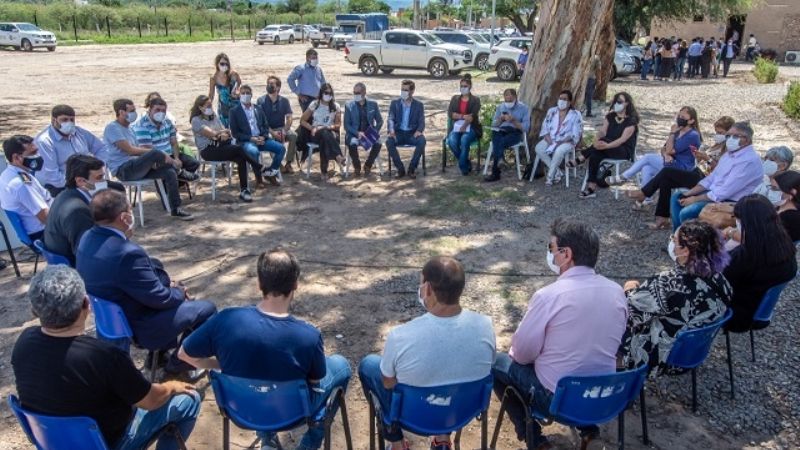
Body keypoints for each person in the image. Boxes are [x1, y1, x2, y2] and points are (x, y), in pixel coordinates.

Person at [12, 266, 201, 450]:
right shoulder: (104, 355)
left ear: (35, 310)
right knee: (189, 401)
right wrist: (171, 386)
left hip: (54, 441)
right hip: (109, 442)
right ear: (86, 305)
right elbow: (150, 401)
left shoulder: (23, 342)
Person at [179, 248, 351, 450]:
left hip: (243, 409)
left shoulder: (226, 319)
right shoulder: (308, 336)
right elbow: (315, 381)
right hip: (294, 413)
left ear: (259, 283)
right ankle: (309, 444)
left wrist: (217, 364)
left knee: (258, 374)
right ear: (296, 285)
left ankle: (267, 440)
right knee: (342, 366)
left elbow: (184, 353)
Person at [492, 219, 627, 449]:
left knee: (496, 362)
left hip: (559, 400)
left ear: (566, 254)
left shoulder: (549, 296)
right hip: (604, 396)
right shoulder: (617, 292)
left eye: (551, 248)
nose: (550, 254)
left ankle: (534, 439)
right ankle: (589, 432)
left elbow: (522, 355)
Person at [358, 256, 496, 450]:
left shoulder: (401, 336)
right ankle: (442, 438)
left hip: (412, 416)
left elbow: (388, 382)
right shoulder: (485, 326)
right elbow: (487, 367)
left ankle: (397, 443)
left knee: (369, 365)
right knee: (451, 371)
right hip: (462, 412)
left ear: (428, 289)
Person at [76, 189, 217, 376]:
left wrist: (169, 286)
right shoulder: (127, 253)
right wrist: (180, 291)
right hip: (139, 325)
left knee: (156, 267)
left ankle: (158, 357)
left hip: (113, 316)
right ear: (124, 218)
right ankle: (179, 363)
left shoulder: (86, 237)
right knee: (207, 309)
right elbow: (161, 299)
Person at [619, 220, 731, 373]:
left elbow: (629, 312)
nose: (671, 242)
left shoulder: (668, 282)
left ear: (685, 251)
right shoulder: (722, 281)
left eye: (674, 240)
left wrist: (628, 289)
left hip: (659, 357)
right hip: (692, 354)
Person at [104, 98, 193, 221]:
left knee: (169, 172)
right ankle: (179, 171)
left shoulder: (129, 129)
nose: (134, 113)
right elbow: (130, 150)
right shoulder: (113, 128)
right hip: (124, 169)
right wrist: (158, 155)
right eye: (131, 110)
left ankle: (175, 209)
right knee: (156, 152)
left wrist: (152, 163)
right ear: (121, 112)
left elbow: (138, 152)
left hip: (136, 166)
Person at [668, 122, 764, 230]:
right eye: (728, 136)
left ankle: (688, 240)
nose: (730, 139)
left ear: (746, 140)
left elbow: (724, 192)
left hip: (732, 202)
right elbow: (711, 178)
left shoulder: (749, 161)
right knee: (677, 196)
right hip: (716, 194)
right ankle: (677, 237)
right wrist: (688, 194)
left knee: (687, 212)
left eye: (735, 136)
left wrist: (695, 199)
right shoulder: (729, 154)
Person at [723, 195, 797, 333]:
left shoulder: (746, 256)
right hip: (760, 312)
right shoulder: (786, 246)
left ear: (747, 222)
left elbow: (720, 284)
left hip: (736, 315)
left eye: (737, 219)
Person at [609, 106, 702, 215]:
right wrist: (665, 155)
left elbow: (670, 149)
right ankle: (646, 201)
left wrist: (671, 136)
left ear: (691, 120)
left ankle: (624, 177)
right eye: (679, 115)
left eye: (683, 117)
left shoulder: (692, 135)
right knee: (646, 167)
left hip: (682, 168)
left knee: (648, 157)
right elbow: (664, 148)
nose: (679, 118)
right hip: (669, 163)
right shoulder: (678, 130)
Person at [190, 95, 264, 202]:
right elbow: (211, 134)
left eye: (211, 105)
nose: (210, 107)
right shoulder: (196, 120)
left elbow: (226, 131)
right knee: (238, 149)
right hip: (208, 150)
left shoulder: (213, 115)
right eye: (208, 105)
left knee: (241, 158)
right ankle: (257, 166)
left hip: (221, 145)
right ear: (200, 108)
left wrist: (221, 134)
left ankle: (244, 190)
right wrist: (220, 134)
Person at [571, 92, 639, 199]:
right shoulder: (610, 116)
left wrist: (605, 145)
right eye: (616, 101)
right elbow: (602, 131)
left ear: (627, 104)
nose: (617, 103)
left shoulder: (631, 122)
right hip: (606, 148)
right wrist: (596, 140)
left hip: (623, 150)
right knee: (595, 155)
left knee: (601, 143)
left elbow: (621, 140)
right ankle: (591, 187)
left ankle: (582, 157)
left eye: (620, 102)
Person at [43, 154, 107, 266]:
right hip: (73, 267)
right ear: (81, 181)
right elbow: (85, 252)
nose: (104, 182)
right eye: (99, 178)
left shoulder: (64, 195)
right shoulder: (77, 211)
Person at [132, 97, 201, 196]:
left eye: (163, 110)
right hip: (154, 159)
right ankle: (171, 185)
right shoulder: (142, 125)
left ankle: (174, 185)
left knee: (193, 163)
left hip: (170, 154)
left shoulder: (167, 122)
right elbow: (148, 149)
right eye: (157, 110)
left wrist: (177, 158)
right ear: (150, 110)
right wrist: (172, 161)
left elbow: (174, 142)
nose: (160, 113)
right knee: (171, 169)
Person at [34, 104, 107, 197]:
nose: (69, 123)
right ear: (54, 120)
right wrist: (79, 184)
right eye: (64, 120)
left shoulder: (79, 133)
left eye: (72, 120)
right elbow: (52, 176)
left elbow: (102, 148)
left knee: (115, 190)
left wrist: (97, 167)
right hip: (60, 187)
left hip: (85, 181)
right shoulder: (44, 142)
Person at [229, 85, 285, 185]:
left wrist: (263, 136)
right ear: (239, 95)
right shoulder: (234, 111)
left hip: (262, 139)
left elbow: (265, 125)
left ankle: (270, 172)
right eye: (243, 93)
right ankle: (258, 178)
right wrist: (251, 138)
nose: (245, 95)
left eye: (248, 93)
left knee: (281, 148)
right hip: (246, 141)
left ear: (251, 95)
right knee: (254, 152)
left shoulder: (258, 108)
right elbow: (235, 133)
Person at [0, 135, 52, 241]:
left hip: (37, 231)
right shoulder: (22, 184)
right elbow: (46, 218)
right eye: (32, 154)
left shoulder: (7, 174)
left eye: (37, 152)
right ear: (16, 157)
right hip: (44, 234)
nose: (38, 156)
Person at [533, 90, 582, 186]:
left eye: (565, 99)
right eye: (560, 98)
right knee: (539, 148)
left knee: (559, 151)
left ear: (570, 102)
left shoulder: (576, 114)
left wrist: (562, 141)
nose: (562, 101)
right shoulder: (552, 111)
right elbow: (545, 127)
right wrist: (549, 139)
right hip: (551, 138)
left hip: (567, 140)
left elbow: (576, 133)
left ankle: (550, 177)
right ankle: (557, 172)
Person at [299, 83, 345, 181]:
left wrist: (326, 127)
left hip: (330, 132)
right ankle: (338, 156)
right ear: (321, 93)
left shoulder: (336, 106)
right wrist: (312, 128)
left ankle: (324, 172)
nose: (328, 95)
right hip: (315, 133)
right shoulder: (315, 104)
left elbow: (338, 125)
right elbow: (302, 120)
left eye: (330, 93)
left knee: (325, 137)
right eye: (326, 93)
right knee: (323, 134)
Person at [484, 88, 530, 182]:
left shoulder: (524, 108)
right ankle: (500, 159)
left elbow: (526, 128)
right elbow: (494, 125)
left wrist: (514, 120)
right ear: (504, 98)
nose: (508, 101)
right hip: (501, 130)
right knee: (495, 132)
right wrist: (501, 119)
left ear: (515, 98)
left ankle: (496, 172)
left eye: (511, 99)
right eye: (506, 98)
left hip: (515, 132)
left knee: (498, 143)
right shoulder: (501, 107)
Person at [257, 75, 298, 174]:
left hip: (281, 128)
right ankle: (278, 164)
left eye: (272, 84)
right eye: (268, 84)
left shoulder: (284, 101)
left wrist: (284, 130)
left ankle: (288, 163)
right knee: (270, 138)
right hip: (267, 129)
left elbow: (289, 118)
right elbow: (261, 121)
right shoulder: (261, 101)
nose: (269, 86)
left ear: (278, 87)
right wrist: (273, 132)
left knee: (293, 136)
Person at [386, 79, 426, 179]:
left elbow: (422, 121)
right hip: (398, 133)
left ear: (412, 91)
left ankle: (412, 168)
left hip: (412, 133)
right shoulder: (394, 103)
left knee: (422, 141)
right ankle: (400, 169)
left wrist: (419, 131)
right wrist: (391, 130)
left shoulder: (418, 105)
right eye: (402, 89)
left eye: (406, 90)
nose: (403, 92)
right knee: (389, 142)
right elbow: (390, 118)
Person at [343, 82, 383, 177]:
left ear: (364, 92)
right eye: (354, 92)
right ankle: (357, 166)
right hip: (354, 133)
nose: (356, 95)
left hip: (369, 133)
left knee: (378, 143)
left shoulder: (373, 104)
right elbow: (346, 125)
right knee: (352, 144)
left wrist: (374, 131)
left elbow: (380, 121)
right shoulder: (349, 105)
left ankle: (368, 165)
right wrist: (357, 133)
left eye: (358, 92)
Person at [446, 74, 482, 176]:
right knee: (452, 141)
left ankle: (464, 168)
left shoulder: (475, 100)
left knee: (464, 140)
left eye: (465, 86)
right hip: (456, 127)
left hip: (471, 127)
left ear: (470, 87)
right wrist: (462, 116)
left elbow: (472, 116)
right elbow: (450, 114)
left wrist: (464, 125)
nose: (463, 88)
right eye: (461, 86)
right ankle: (466, 162)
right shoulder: (455, 99)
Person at [207, 53, 241, 127]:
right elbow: (211, 94)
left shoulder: (233, 74)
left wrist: (238, 90)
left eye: (226, 64)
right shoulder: (214, 78)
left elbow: (239, 82)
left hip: (235, 104)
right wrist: (208, 106)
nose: (224, 66)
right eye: (222, 64)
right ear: (217, 64)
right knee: (225, 127)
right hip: (223, 106)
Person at [773, 170, 800, 241]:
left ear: (792, 192)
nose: (772, 192)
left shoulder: (791, 217)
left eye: (776, 189)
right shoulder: (778, 206)